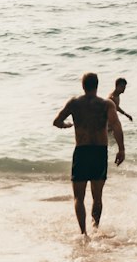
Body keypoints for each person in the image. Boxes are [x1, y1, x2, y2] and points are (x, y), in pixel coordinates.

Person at [53, 72, 125, 236]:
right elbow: (116, 126)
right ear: (97, 85)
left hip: (82, 151)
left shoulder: (74, 103)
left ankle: (83, 233)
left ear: (83, 86)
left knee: (79, 197)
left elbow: (56, 121)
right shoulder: (107, 104)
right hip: (100, 152)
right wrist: (121, 149)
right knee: (97, 197)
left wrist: (66, 125)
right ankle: (95, 228)